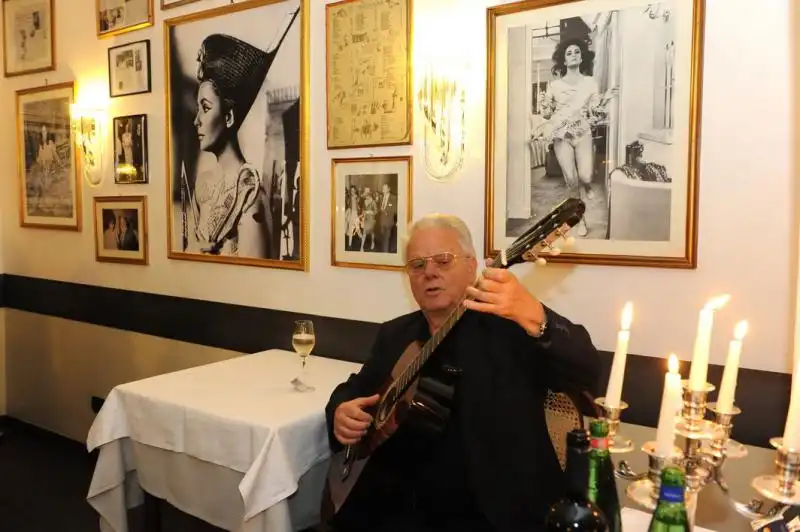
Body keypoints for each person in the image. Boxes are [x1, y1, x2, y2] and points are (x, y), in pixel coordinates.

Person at [324, 213, 601, 532]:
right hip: (402, 505)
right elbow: (355, 390)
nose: (429, 273)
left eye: (443, 260)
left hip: (494, 510)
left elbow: (587, 372)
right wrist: (340, 413)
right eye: (417, 265)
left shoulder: (510, 328)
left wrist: (536, 317)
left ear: (472, 267)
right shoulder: (395, 334)